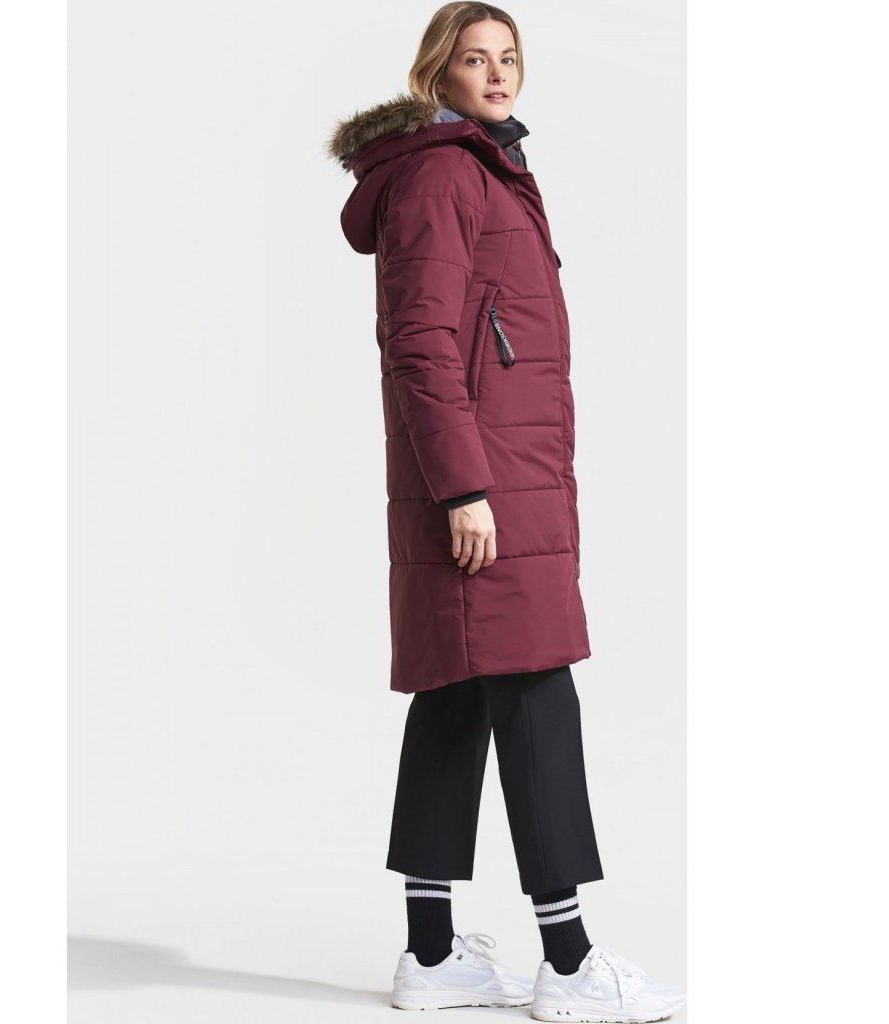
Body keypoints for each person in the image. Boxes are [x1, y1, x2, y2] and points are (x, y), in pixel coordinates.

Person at [327, 4, 687, 1020]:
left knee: (454, 699)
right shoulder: (446, 173)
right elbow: (420, 343)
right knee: (535, 695)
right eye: (475, 58)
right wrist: (465, 489)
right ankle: (569, 964)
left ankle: (432, 954)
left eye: (509, 57)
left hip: (501, 476)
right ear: (435, 73)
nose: (497, 74)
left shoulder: (481, 167)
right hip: (482, 487)